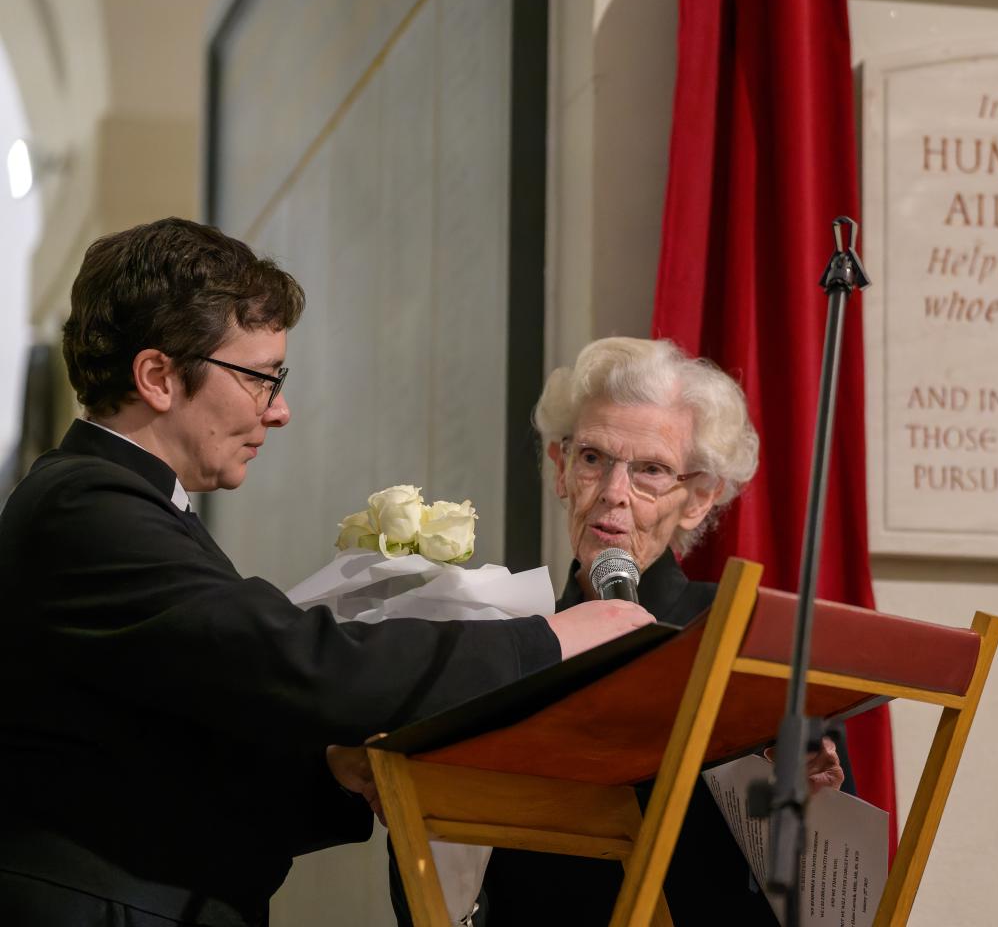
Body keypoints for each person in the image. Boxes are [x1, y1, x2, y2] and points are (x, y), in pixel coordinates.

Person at [0, 218, 652, 927]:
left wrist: (332, 771)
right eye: (260, 378)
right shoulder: (85, 504)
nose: (278, 411)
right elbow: (292, 660)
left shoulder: (125, 503)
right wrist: (548, 641)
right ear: (157, 376)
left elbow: (183, 744)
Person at [391, 337, 847, 926]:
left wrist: (802, 788)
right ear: (560, 470)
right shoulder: (505, 643)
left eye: (651, 471)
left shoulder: (752, 638)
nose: (612, 493)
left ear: (698, 499)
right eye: (592, 458)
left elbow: (829, 854)